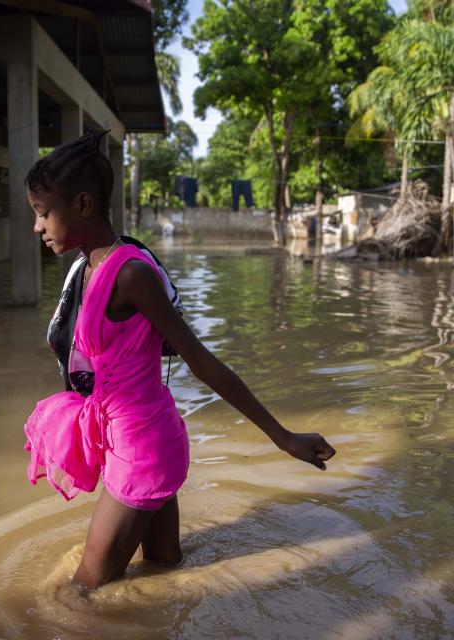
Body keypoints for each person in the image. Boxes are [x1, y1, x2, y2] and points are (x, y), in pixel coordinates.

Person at [22, 131, 336, 590]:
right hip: (137, 436)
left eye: (43, 213)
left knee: (81, 594)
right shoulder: (87, 268)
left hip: (141, 447)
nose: (37, 226)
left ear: (84, 205)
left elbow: (201, 362)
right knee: (164, 571)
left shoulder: (130, 274)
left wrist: (283, 437)